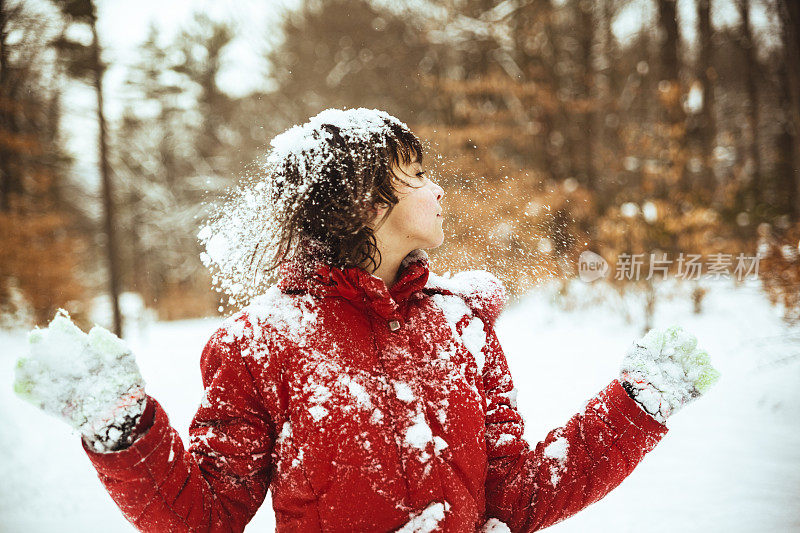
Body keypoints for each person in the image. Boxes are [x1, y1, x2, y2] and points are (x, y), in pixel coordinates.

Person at [14, 108, 720, 532]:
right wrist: (124, 430)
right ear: (365, 203)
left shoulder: (462, 328)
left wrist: (634, 407)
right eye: (416, 175)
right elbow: (207, 515)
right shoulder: (260, 343)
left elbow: (517, 493)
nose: (438, 188)